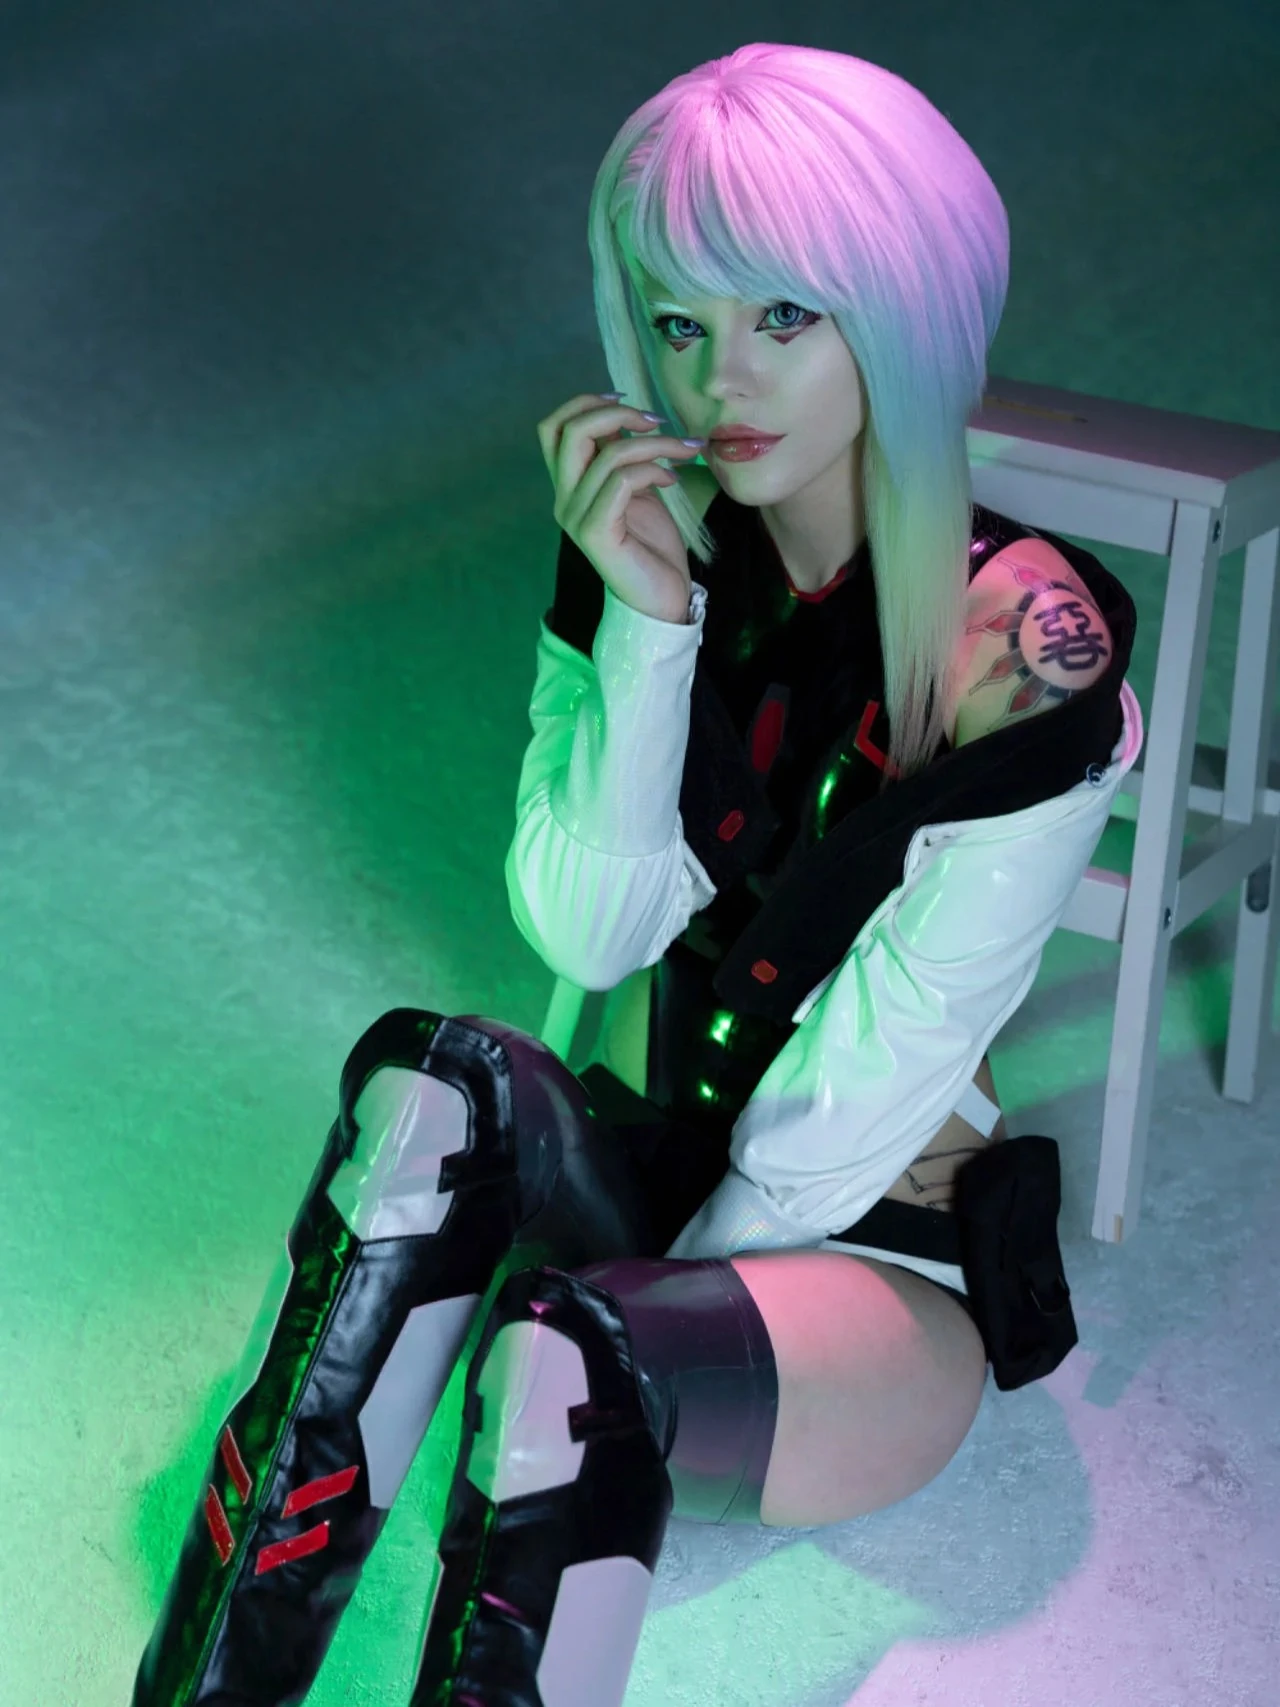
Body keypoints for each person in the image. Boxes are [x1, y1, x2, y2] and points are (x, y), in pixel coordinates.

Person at [132, 41, 1142, 1707]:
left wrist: (615, 1302)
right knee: (431, 1083)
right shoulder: (652, 532)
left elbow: (863, 1090)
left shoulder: (1025, 651)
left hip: (870, 1258)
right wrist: (649, 621)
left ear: (899, 307)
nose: (719, 378)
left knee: (569, 1368)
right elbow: (589, 925)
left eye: (783, 316)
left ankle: (594, 1368)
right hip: (669, 1169)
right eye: (679, 324)